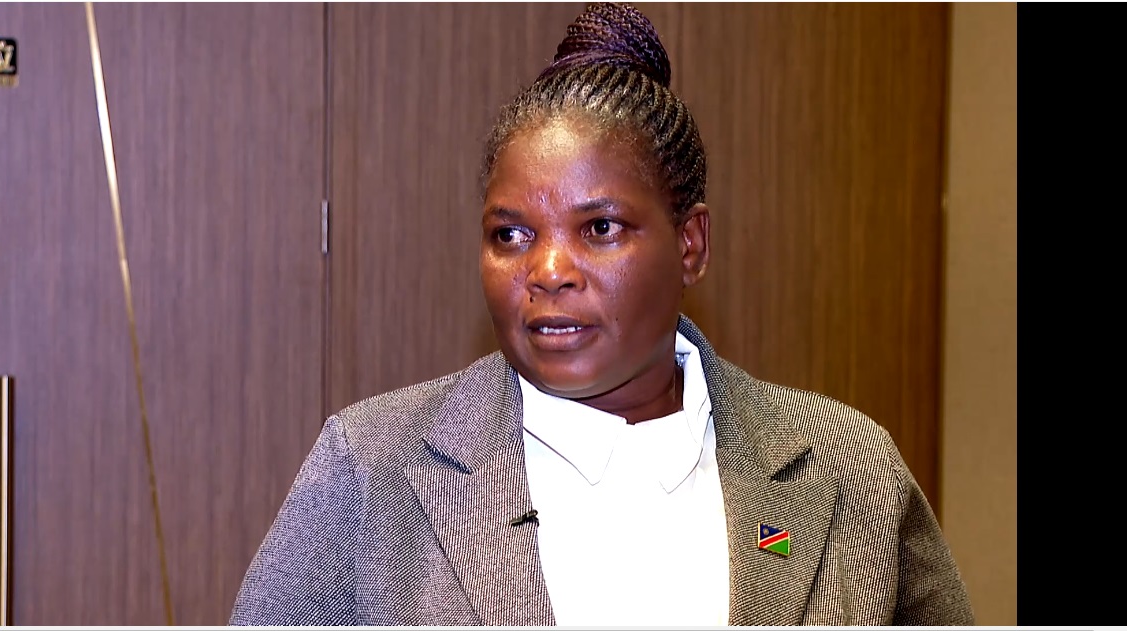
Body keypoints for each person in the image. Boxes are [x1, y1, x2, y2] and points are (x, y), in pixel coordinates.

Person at [230, 2, 974, 626]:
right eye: (510, 235)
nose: (547, 270)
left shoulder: (851, 468)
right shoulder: (372, 468)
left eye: (600, 228)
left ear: (690, 245)